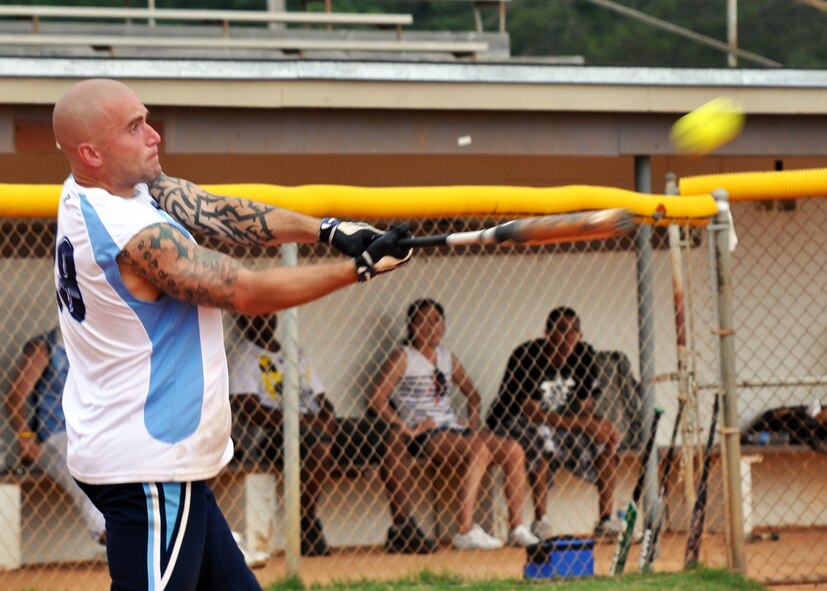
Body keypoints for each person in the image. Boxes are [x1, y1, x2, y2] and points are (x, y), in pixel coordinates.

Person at [51, 78, 412, 591]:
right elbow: (246, 292)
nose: (154, 135)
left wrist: (329, 231)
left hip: (156, 458)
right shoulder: (127, 233)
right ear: (91, 152)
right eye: (135, 128)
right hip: (150, 465)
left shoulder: (105, 188)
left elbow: (217, 212)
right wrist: (358, 270)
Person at [228, 313, 437, 556]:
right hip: (274, 436)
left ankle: (403, 527)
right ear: (243, 320)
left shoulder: (296, 353)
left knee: (389, 434)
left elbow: (322, 399)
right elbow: (248, 409)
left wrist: (327, 418)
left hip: (316, 427)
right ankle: (306, 525)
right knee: (320, 442)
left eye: (267, 312)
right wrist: (303, 421)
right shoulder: (243, 355)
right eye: (254, 315)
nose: (261, 319)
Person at [369, 298, 540, 550]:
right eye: (423, 321)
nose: (431, 327)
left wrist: (472, 423)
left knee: (513, 449)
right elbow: (376, 398)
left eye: (436, 321)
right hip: (426, 434)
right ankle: (465, 530)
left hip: (454, 430)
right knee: (478, 450)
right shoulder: (403, 356)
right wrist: (405, 427)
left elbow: (473, 393)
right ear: (411, 326)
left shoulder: (445, 356)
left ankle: (516, 528)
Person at [486, 306, 624, 541]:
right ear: (548, 333)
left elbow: (585, 408)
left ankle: (606, 520)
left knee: (601, 439)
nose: (569, 337)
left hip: (560, 424)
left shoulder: (584, 354)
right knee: (543, 435)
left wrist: (600, 426)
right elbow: (531, 412)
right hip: (512, 421)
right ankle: (541, 521)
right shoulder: (528, 355)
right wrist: (584, 423)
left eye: (574, 331)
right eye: (562, 330)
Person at [3, 326, 106, 547]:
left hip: (93, 434)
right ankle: (106, 532)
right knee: (83, 472)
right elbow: (15, 396)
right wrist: (24, 436)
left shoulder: (96, 344)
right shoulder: (47, 347)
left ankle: (126, 535)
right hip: (54, 437)